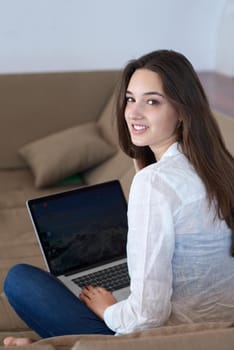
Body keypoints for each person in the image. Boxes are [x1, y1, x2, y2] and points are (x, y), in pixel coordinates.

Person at [3, 49, 234, 346]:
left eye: (152, 101)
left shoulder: (154, 182)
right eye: (130, 99)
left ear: (182, 110)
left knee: (20, 281)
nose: (133, 113)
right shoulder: (219, 167)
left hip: (155, 338)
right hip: (214, 329)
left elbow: (148, 315)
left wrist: (109, 309)